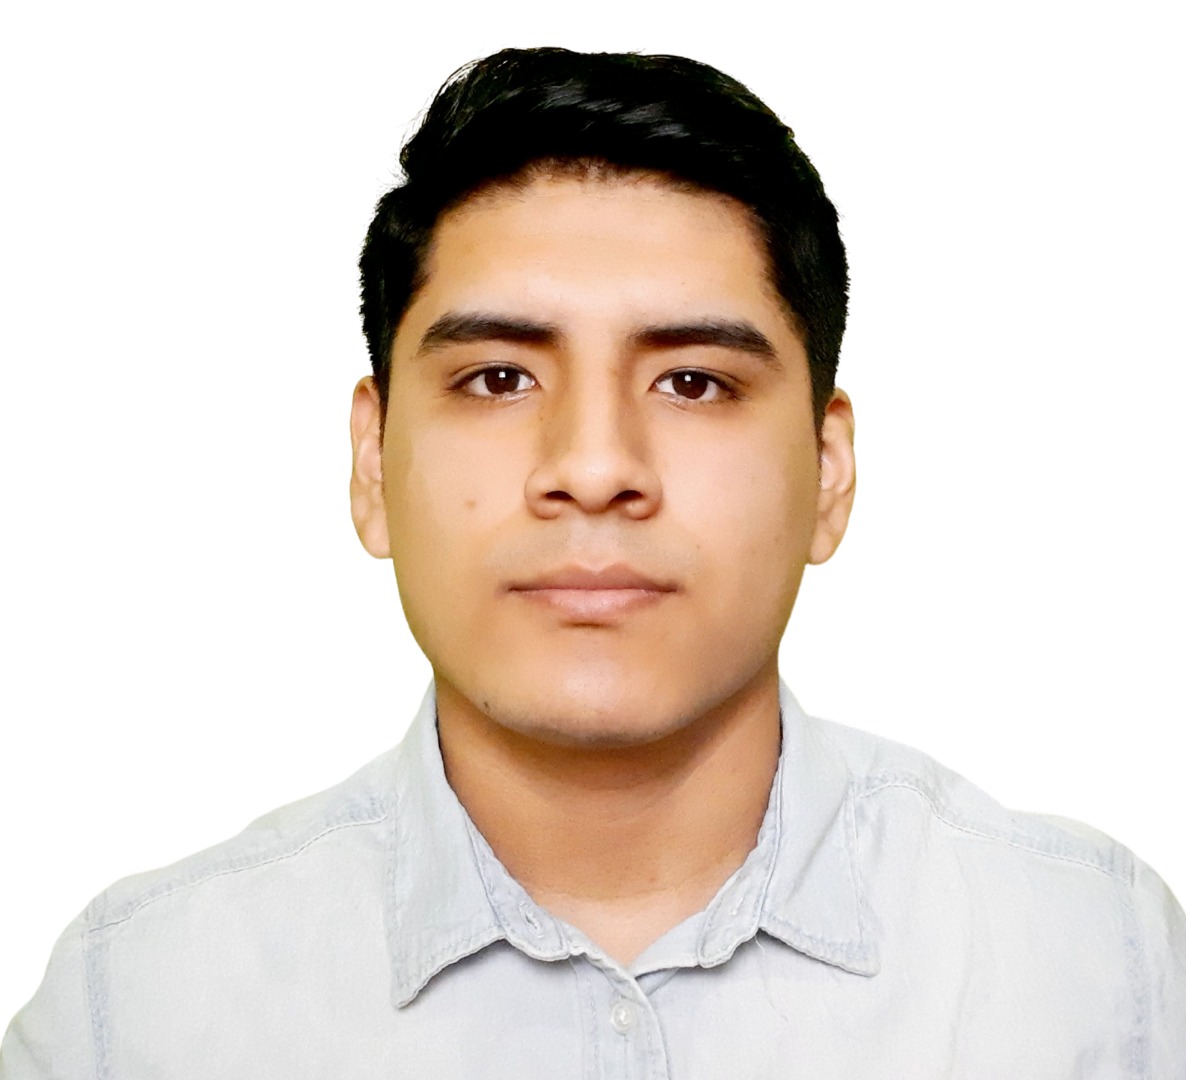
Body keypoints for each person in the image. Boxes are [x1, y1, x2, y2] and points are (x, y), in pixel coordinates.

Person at [2, 45, 1182, 1078]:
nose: (595, 464)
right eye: (498, 378)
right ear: (371, 462)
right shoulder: (138, 1010)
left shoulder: (1094, 967)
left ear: (828, 472)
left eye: (693, 382)